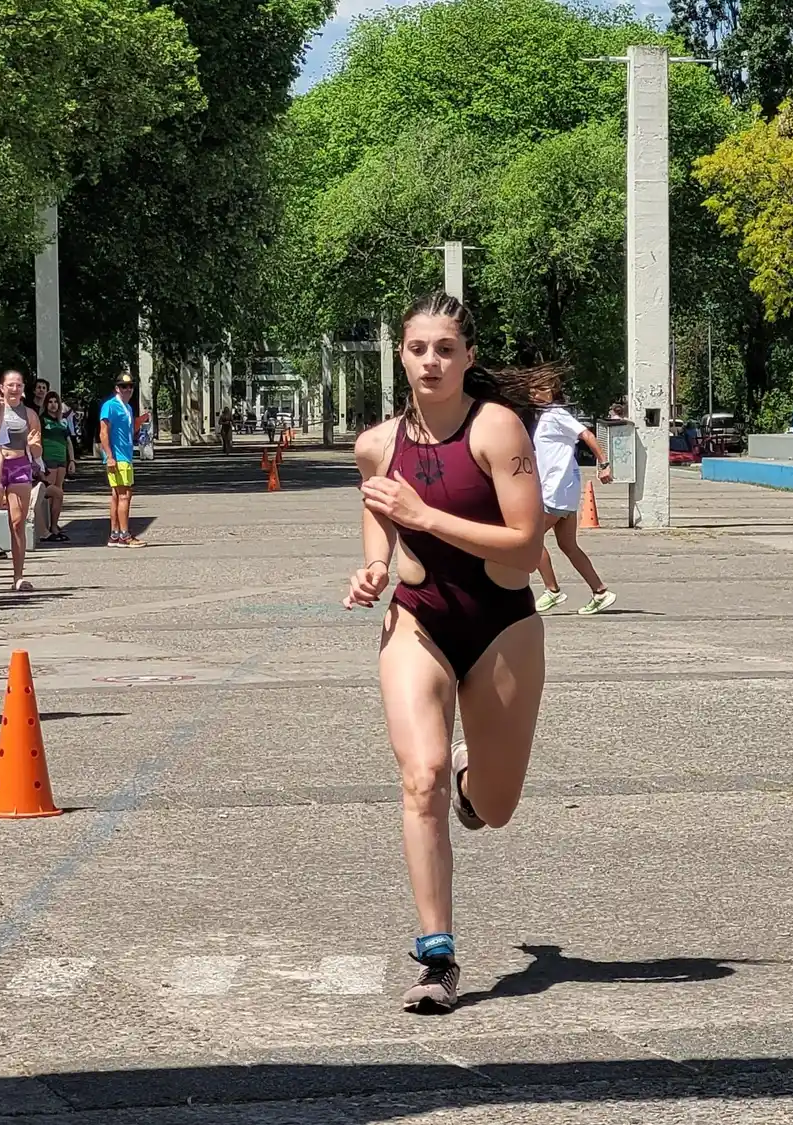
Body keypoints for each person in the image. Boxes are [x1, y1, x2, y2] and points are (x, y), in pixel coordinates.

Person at [344, 291, 549, 1014]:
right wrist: (372, 570)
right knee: (418, 774)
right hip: (419, 622)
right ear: (400, 354)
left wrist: (428, 516)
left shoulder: (497, 431)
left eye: (445, 349)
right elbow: (379, 532)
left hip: (502, 627)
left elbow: (527, 545)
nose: (431, 361)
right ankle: (436, 954)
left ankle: (473, 780)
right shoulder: (376, 444)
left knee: (494, 807)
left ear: (467, 357)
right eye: (418, 348)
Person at [529, 377, 616, 615]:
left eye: (540, 389)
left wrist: (604, 463)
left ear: (553, 391)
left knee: (530, 540)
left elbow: (586, 435)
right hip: (562, 491)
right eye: (532, 390)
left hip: (556, 491)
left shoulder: (557, 414)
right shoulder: (547, 416)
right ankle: (600, 592)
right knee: (568, 545)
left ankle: (552, 590)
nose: (534, 394)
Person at [0, 371, 43, 591]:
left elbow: (37, 449)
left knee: (17, 523)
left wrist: (34, 446)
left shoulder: (29, 414)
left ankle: (18, 576)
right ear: (2, 387)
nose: (14, 389)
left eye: (19, 385)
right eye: (10, 385)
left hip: (19, 465)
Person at [100, 374, 144, 547]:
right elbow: (103, 432)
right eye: (124, 386)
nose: (128, 389)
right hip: (118, 457)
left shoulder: (128, 408)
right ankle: (124, 535)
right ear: (117, 388)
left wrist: (139, 423)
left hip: (125, 455)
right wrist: (110, 456)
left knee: (117, 496)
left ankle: (115, 534)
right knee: (124, 495)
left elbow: (128, 431)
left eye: (130, 386)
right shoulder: (110, 406)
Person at [39, 391, 74, 541]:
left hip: (62, 460)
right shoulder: (42, 420)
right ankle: (45, 526)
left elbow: (68, 442)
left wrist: (72, 460)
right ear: (46, 404)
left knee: (58, 493)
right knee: (49, 492)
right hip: (49, 459)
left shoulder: (63, 421)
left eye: (55, 402)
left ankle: (55, 525)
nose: (53, 405)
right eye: (50, 402)